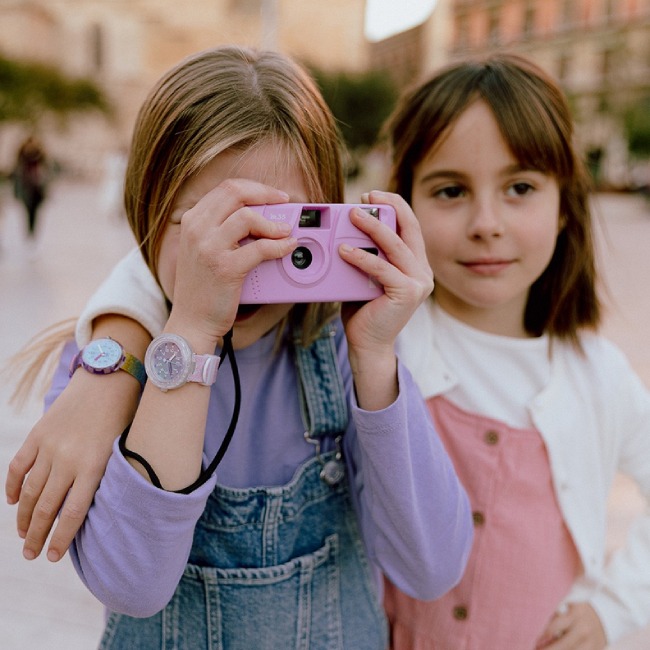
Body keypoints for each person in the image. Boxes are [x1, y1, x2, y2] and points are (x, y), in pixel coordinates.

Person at [5, 45, 472, 649]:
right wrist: (193, 334)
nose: (239, 264)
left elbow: (430, 568)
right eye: (208, 226)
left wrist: (378, 358)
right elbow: (133, 586)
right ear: (144, 215)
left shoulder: (341, 358)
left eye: (277, 230)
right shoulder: (105, 369)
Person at [380, 53, 650, 649]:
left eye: (520, 188)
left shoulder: (598, 376)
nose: (486, 222)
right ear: (404, 205)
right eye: (450, 190)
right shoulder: (380, 343)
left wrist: (613, 607)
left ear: (563, 207)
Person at [13, 135, 48, 242]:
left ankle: (31, 232)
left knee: (34, 212)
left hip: (35, 188)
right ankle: (29, 232)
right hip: (27, 187)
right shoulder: (24, 158)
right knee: (28, 211)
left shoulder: (38, 156)